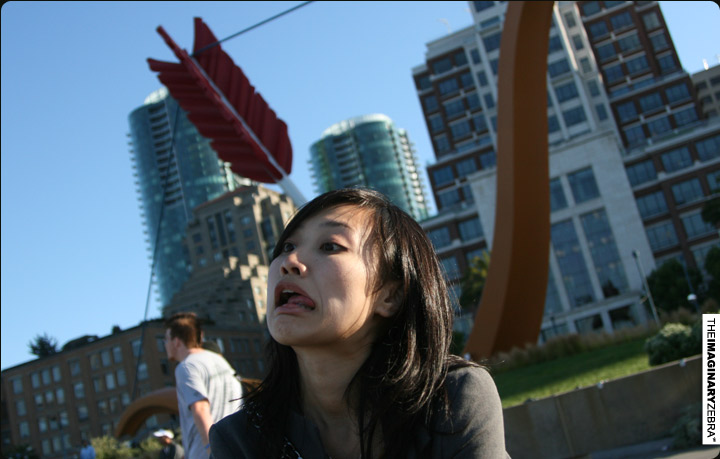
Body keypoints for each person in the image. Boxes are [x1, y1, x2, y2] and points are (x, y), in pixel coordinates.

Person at [209, 188, 508, 458]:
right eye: (287, 247)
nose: (290, 261)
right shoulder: (239, 440)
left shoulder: (450, 400)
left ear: (390, 296)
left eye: (330, 246)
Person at [164, 312, 243, 458]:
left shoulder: (186, 367)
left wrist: (212, 450)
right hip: (235, 447)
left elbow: (200, 408)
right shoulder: (221, 362)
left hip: (207, 453)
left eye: (166, 339)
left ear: (176, 342)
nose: (165, 344)